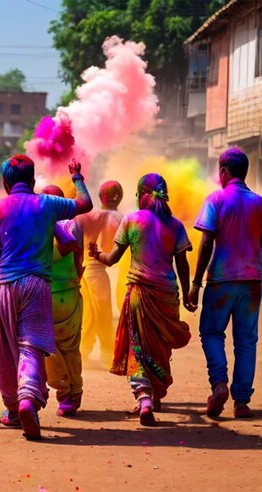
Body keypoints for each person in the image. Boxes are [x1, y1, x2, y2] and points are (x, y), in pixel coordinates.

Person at [0, 155, 92, 440]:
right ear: (32, 182)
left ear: (5, 184)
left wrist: (5, 252)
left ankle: (14, 410)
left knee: (5, 349)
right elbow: (85, 204)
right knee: (31, 346)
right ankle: (28, 397)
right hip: (36, 285)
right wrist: (77, 177)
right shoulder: (47, 204)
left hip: (2, 286)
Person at [89, 173, 195, 426]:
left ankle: (144, 396)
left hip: (139, 293)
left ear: (140, 195)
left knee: (137, 345)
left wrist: (97, 254)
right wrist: (190, 293)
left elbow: (112, 258)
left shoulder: (132, 220)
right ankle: (156, 393)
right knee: (159, 346)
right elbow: (182, 264)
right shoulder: (175, 225)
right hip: (167, 295)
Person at [188, 147, 262, 419]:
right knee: (246, 341)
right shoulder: (259, 202)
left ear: (223, 171)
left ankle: (219, 383)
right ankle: (241, 402)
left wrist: (196, 283)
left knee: (211, 333)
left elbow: (206, 241)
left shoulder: (216, 199)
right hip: (254, 281)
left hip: (221, 280)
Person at [41, 185, 85, 417]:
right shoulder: (75, 224)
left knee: (49, 346)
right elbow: (79, 259)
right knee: (70, 346)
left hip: (47, 293)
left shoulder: (42, 224)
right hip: (69, 291)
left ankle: (65, 391)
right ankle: (73, 392)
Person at [76, 181, 124, 368]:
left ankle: (84, 350)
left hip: (82, 269)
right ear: (117, 197)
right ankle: (106, 353)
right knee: (102, 312)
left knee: (87, 312)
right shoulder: (119, 218)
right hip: (97, 270)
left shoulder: (88, 215)